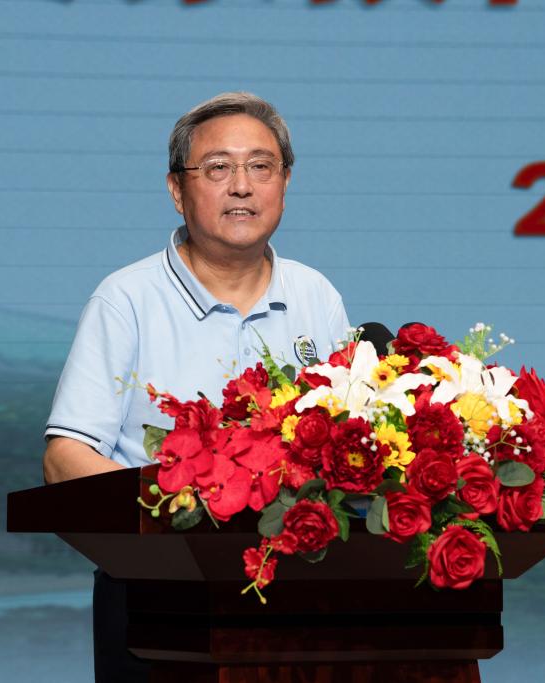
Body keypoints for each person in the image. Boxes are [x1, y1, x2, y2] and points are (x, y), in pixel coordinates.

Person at [40, 92, 351, 682]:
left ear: (286, 182)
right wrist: (179, 514)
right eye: (217, 168)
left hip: (303, 598)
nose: (242, 186)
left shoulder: (316, 296)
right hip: (157, 601)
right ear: (177, 190)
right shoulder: (127, 299)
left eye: (261, 166)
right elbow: (65, 458)